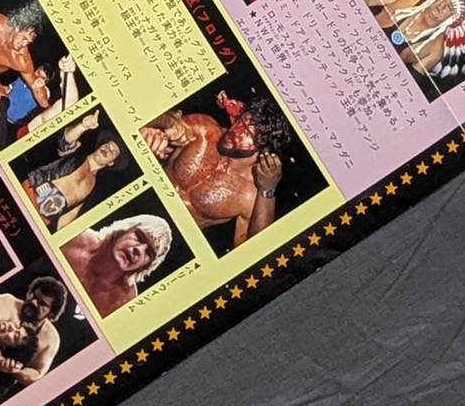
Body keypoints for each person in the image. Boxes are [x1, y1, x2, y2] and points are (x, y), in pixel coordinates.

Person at [141, 91, 286, 247]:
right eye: (241, 121)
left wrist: (267, 191)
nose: (235, 131)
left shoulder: (249, 195)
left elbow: (255, 249)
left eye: (248, 133)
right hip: (141, 200)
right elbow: (166, 123)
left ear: (263, 149)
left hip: (166, 240)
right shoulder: (205, 130)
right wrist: (155, 127)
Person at [62, 215, 172, 315]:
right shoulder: (75, 238)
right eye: (139, 237)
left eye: (148, 253)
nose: (139, 250)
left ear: (147, 266)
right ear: (124, 230)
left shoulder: (125, 302)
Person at [23, 129, 124, 229]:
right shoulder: (77, 153)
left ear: (111, 163)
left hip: (38, 222)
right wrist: (83, 126)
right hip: (25, 196)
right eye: (107, 145)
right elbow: (66, 142)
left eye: (113, 151)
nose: (107, 149)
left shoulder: (94, 187)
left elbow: (70, 215)